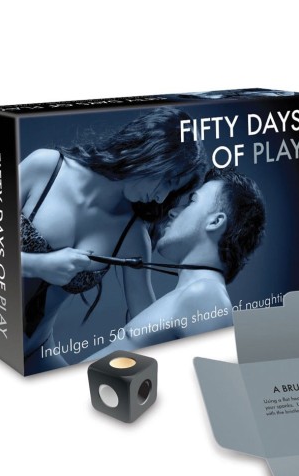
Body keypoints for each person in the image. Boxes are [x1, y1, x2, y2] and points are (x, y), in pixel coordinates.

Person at [20, 107, 207, 371]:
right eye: (168, 181)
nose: (162, 198)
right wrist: (39, 265)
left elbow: (146, 326)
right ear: (151, 154)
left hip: (37, 354)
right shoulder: (46, 167)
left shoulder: (132, 235)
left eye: (172, 190)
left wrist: (193, 302)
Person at [91, 168, 266, 353]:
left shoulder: (205, 295)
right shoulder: (190, 297)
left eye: (191, 201)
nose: (173, 211)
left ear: (215, 222)